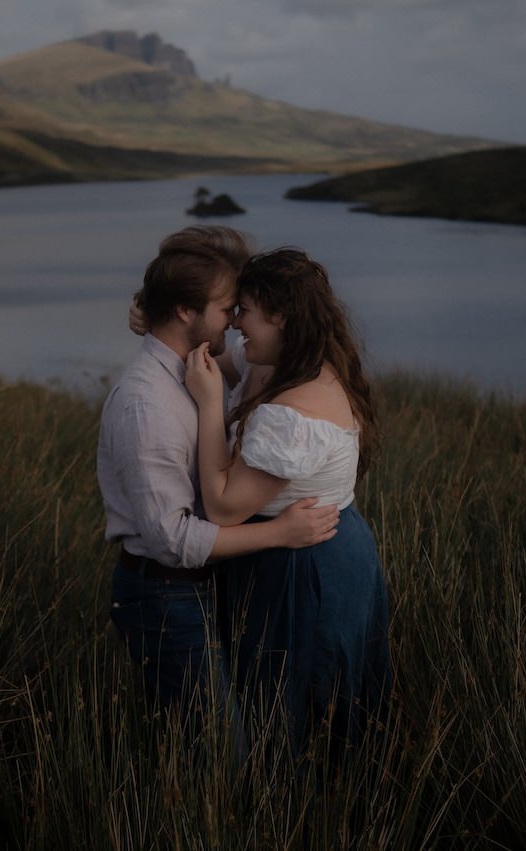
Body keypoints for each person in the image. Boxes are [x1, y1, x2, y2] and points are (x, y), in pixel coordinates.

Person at [97, 226, 341, 717]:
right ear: (185, 312)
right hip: (165, 592)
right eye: (227, 308)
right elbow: (171, 539)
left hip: (206, 584)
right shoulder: (148, 405)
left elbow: (262, 362)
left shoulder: (197, 364)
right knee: (218, 746)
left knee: (238, 726)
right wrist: (279, 533)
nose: (234, 319)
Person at [182, 247, 393, 754]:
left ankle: (305, 800)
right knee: (278, 698)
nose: (237, 324)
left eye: (246, 312)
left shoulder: (297, 409)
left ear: (280, 316)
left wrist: (209, 405)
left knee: (300, 708)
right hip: (290, 550)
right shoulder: (279, 363)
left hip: (306, 565)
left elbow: (224, 508)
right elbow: (216, 359)